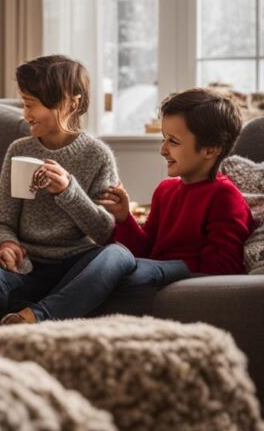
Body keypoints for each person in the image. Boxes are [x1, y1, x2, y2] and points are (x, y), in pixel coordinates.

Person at [0, 55, 135, 332]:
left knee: (114, 258)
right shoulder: (19, 150)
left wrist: (69, 191)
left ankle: (35, 316)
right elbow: (0, 220)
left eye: (31, 105)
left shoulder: (97, 156)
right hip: (28, 266)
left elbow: (104, 231)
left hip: (75, 266)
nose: (25, 114)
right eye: (24, 104)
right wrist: (6, 244)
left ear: (71, 103)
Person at [98, 88, 254, 284]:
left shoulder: (224, 195)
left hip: (177, 276)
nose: (162, 150)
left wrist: (168, 266)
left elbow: (225, 265)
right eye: (164, 139)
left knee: (118, 263)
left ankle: (48, 312)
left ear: (211, 149)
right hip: (152, 269)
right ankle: (49, 311)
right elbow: (145, 250)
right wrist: (124, 217)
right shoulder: (165, 191)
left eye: (173, 141)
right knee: (101, 255)